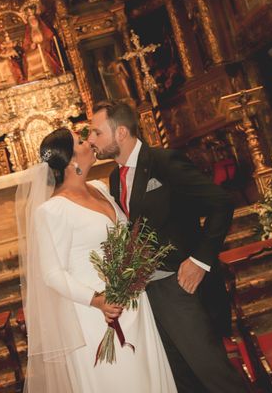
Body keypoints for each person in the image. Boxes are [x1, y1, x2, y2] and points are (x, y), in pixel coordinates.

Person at [88, 100, 247, 393]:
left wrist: (199, 261)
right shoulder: (114, 178)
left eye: (96, 133)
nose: (90, 140)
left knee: (216, 377)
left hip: (181, 287)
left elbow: (221, 203)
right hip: (147, 294)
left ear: (121, 132)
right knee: (181, 380)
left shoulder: (164, 162)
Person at [18, 127, 177, 393]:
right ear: (70, 161)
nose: (89, 142)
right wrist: (97, 300)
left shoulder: (99, 188)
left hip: (134, 303)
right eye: (80, 141)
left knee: (149, 378)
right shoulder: (51, 210)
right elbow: (52, 273)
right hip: (96, 315)